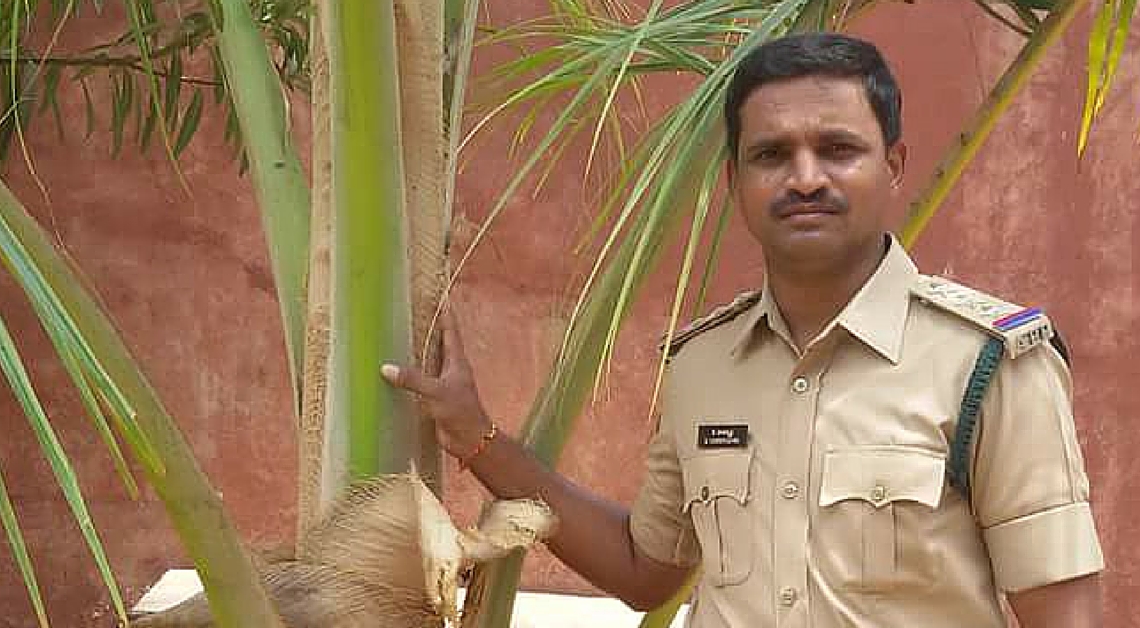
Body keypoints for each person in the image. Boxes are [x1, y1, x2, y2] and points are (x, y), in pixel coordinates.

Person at [381, 32, 1104, 627]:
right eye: (771, 155)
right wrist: (475, 436)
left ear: (894, 166)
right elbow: (645, 571)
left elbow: (1061, 614)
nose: (805, 177)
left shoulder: (988, 364)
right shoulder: (702, 365)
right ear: (735, 182)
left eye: (838, 149)